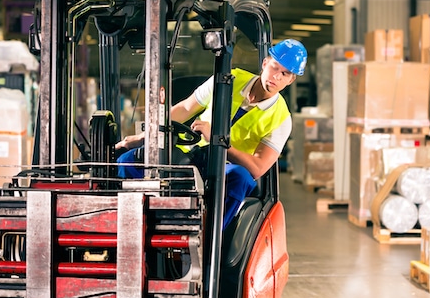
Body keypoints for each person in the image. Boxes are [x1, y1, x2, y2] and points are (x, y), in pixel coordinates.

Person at [116, 39, 307, 229]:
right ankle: (137, 228)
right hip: (187, 155)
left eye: (285, 73)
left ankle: (209, 239)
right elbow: (185, 108)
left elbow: (257, 167)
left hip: (223, 167)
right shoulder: (228, 79)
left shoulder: (281, 119)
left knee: (240, 178)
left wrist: (218, 139)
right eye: (275, 68)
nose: (277, 77)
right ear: (265, 63)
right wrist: (145, 137)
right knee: (127, 161)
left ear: (291, 79)